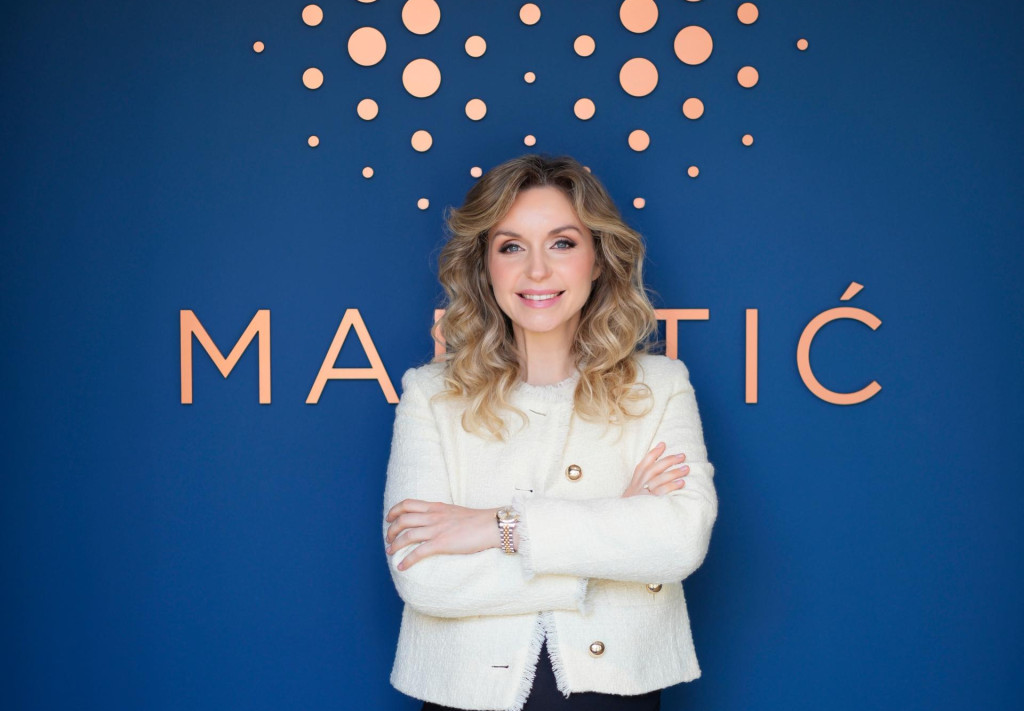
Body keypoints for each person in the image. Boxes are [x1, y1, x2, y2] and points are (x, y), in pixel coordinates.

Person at [382, 154, 718, 711]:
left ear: (598, 258)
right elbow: (422, 576)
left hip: (617, 696)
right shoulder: (431, 394)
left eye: (562, 243)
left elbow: (680, 540)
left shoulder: (660, 386)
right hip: (463, 698)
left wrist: (498, 527)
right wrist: (610, 537)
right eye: (511, 247)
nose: (537, 271)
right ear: (484, 266)